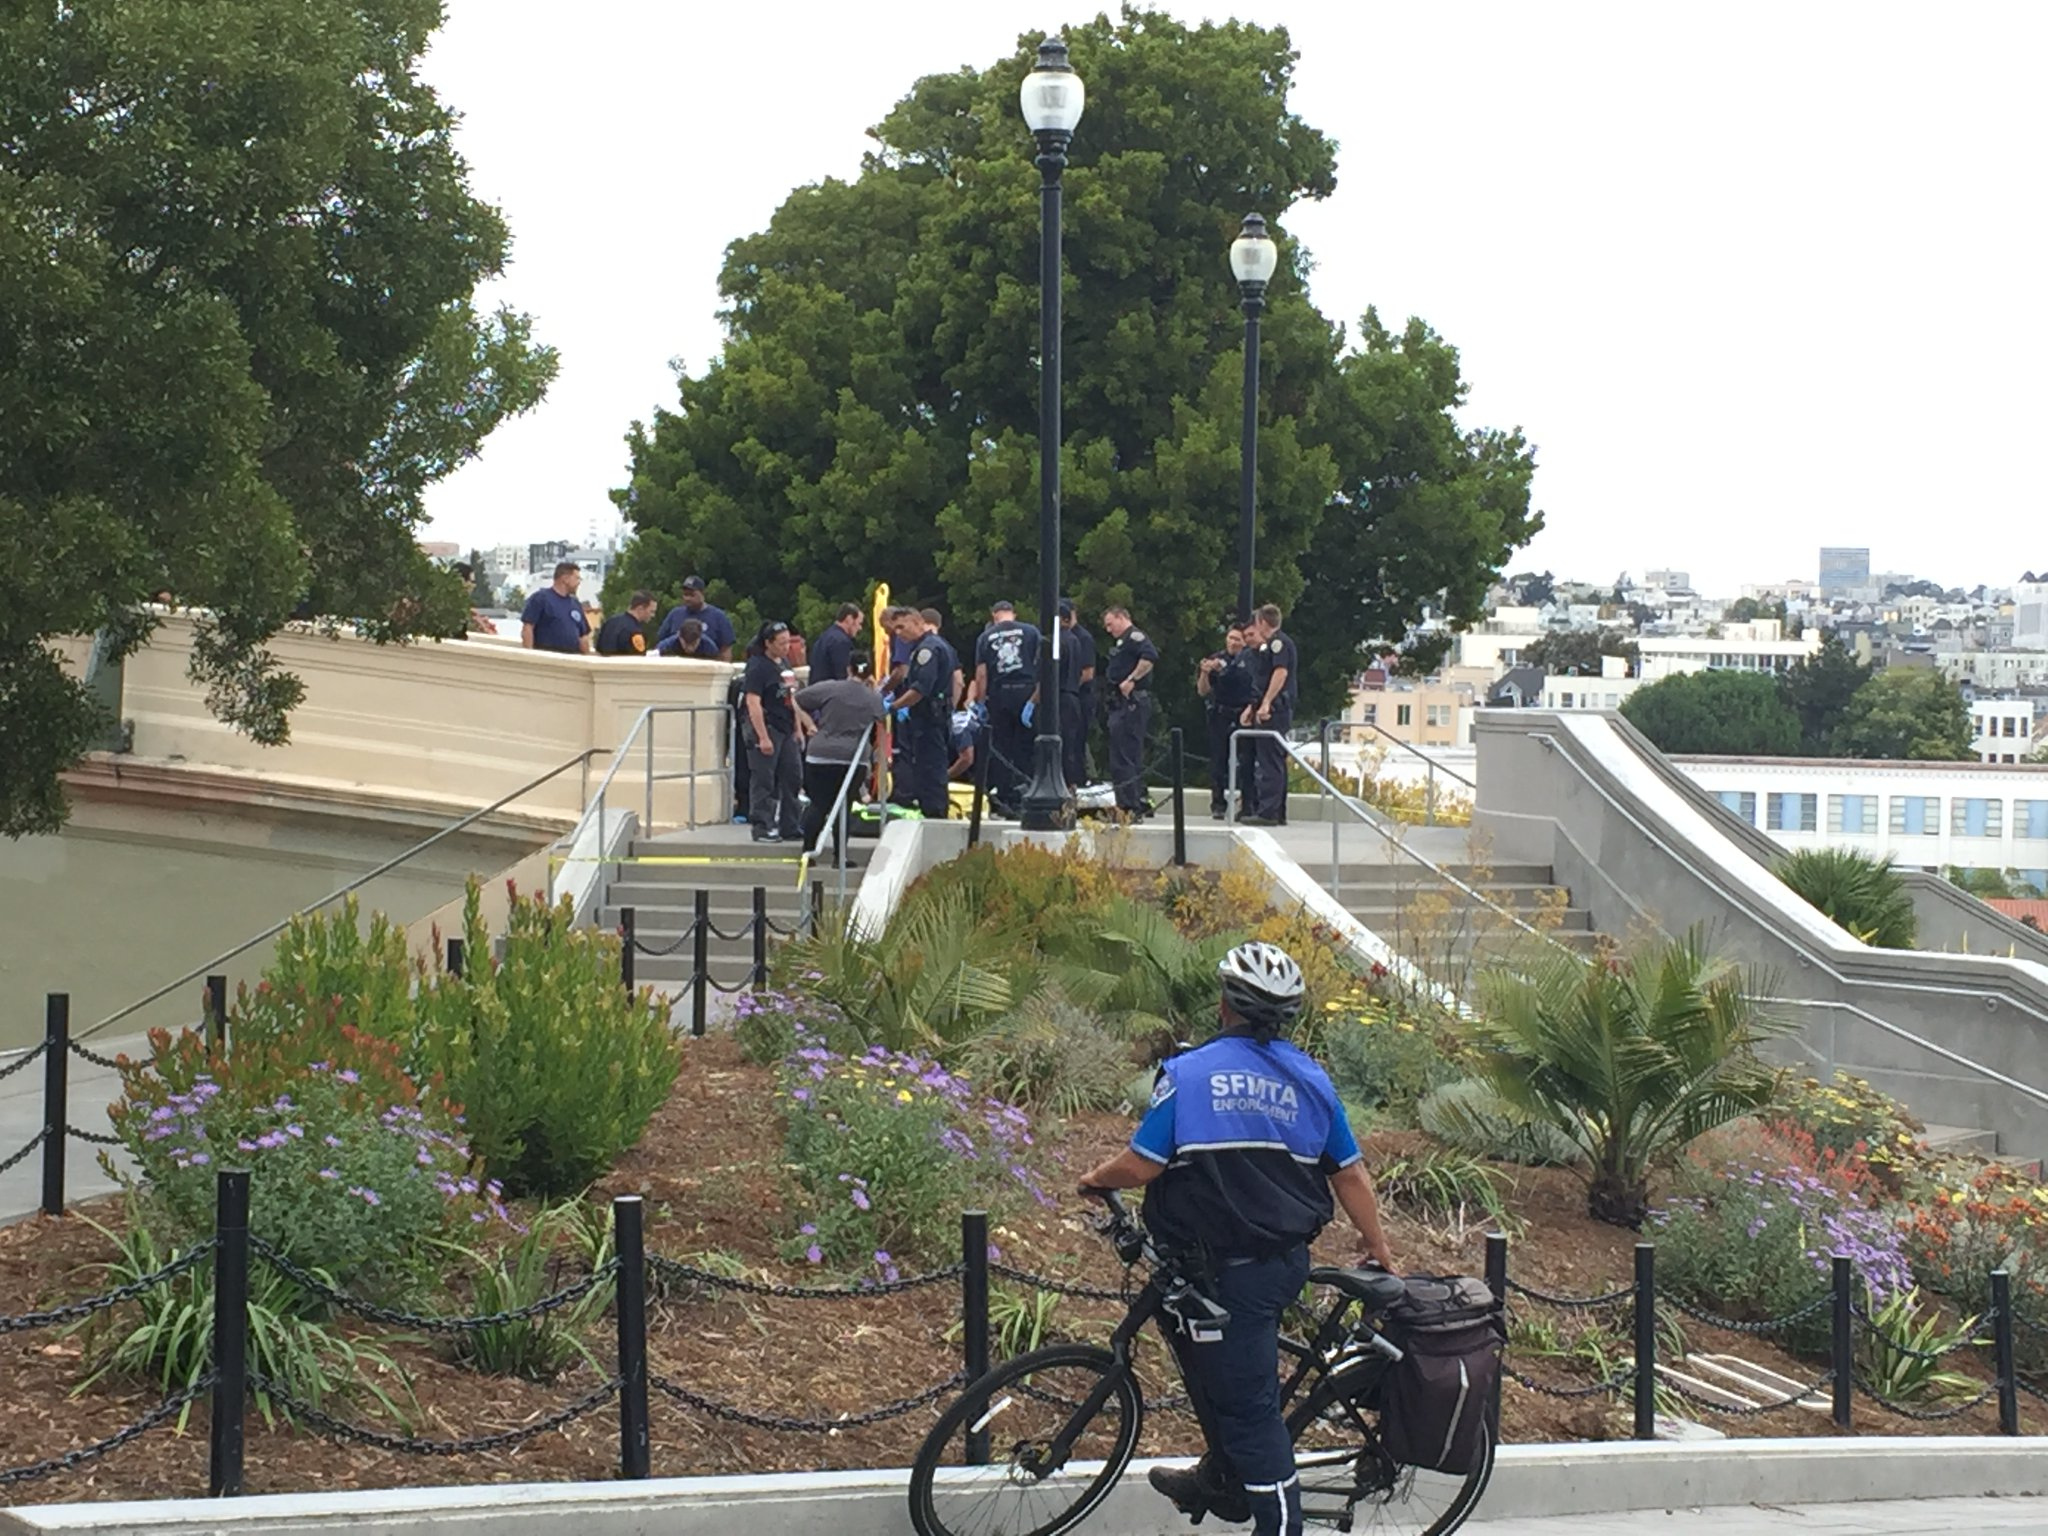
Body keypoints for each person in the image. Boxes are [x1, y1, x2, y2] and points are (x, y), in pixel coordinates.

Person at [1078, 941, 1397, 1536]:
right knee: (1212, 1369)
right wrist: (1378, 1245)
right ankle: (1219, 1474)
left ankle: (1280, 1525)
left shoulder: (1190, 1074)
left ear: (1224, 1005)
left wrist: (1096, 1180)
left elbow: (1143, 1164)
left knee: (1251, 1414)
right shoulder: (1311, 1081)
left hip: (1232, 1274)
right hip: (1262, 1263)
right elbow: (1349, 1172)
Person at [795, 656, 885, 856]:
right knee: (845, 806)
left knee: (818, 803)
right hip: (853, 759)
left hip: (820, 755)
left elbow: (797, 699)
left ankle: (808, 851)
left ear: (848, 668)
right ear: (869, 673)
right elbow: (881, 717)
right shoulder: (873, 698)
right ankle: (840, 856)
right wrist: (873, 688)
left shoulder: (829, 688)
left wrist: (809, 723)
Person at [741, 621, 811, 842]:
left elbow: (791, 698)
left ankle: (790, 825)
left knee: (793, 777)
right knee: (764, 779)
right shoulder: (757, 666)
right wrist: (762, 737)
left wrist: (798, 727)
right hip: (767, 726)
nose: (786, 647)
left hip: (786, 726)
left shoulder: (784, 664)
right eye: (781, 643)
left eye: (788, 642)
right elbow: (753, 702)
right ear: (768, 643)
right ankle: (762, 826)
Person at [972, 599, 1041, 816]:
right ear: (1014, 614)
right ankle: (1026, 793)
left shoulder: (985, 637)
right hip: (1027, 691)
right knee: (1026, 747)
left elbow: (982, 675)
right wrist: (1035, 698)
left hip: (1001, 692)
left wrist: (981, 702)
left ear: (994, 615)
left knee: (1001, 747)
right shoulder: (1031, 632)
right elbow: (1043, 664)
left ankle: (1003, 797)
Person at [891, 607, 958, 820]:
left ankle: (934, 813)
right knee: (930, 766)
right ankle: (934, 809)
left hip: (928, 718)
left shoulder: (926, 651)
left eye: (902, 626)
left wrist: (895, 706)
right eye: (895, 629)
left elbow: (920, 689)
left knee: (929, 768)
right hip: (935, 715)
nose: (899, 633)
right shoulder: (937, 645)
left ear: (918, 622)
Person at [1241, 604, 1300, 826]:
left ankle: (1268, 811)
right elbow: (1263, 679)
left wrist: (1266, 703)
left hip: (1276, 709)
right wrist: (1253, 706)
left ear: (1263, 623)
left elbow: (1279, 673)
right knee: (1272, 759)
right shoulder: (1270, 646)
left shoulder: (1278, 643)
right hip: (1269, 707)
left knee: (1269, 761)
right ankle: (1276, 810)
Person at [1100, 606, 1158, 818]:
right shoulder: (1123, 641)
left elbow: (1149, 657)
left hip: (1130, 702)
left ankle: (1129, 805)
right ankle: (1132, 801)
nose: (1108, 629)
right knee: (1122, 754)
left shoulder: (1134, 637)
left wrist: (1131, 679)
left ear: (1121, 617)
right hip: (1119, 702)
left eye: (1110, 623)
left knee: (1125, 755)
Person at [1198, 622, 1258, 817]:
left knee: (1246, 760)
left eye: (1237, 640)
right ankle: (1218, 804)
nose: (1233, 643)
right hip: (1221, 713)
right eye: (1230, 638)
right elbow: (1203, 691)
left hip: (1244, 712)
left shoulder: (1251, 659)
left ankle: (1247, 804)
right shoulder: (1217, 658)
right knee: (1217, 761)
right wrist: (1206, 672)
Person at [1055, 600, 1092, 789]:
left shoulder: (1063, 640)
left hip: (1065, 696)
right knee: (1071, 746)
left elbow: (1087, 672)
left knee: (1067, 746)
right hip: (1072, 696)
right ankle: (1073, 785)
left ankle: (1069, 784)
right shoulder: (1074, 639)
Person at [656, 576, 735, 660]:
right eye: (685, 595)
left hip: (707, 663)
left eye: (692, 595)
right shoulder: (675, 614)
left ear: (702, 594)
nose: (688, 598)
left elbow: (726, 649)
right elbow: (661, 642)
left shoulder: (718, 616)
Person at [520, 562, 592, 654]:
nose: (579, 583)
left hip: (572, 658)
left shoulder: (575, 604)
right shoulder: (541, 598)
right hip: (547, 658)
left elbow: (583, 636)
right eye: (577, 578)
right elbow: (528, 628)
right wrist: (529, 655)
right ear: (565, 579)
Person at [810, 604, 863, 683]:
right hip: (831, 692)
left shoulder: (824, 637)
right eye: (859, 623)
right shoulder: (841, 642)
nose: (860, 628)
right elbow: (843, 676)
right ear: (849, 619)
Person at [597, 592, 658, 656]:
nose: (653, 615)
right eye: (651, 611)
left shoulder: (610, 622)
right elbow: (639, 660)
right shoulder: (635, 632)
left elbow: (599, 650)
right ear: (640, 609)